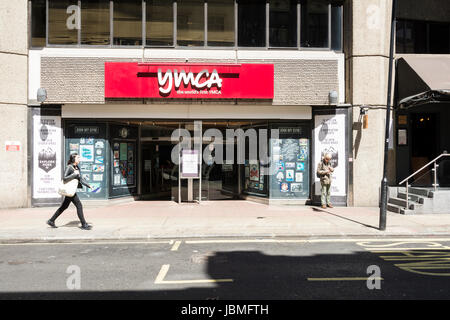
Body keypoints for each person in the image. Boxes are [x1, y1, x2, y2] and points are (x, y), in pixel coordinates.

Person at [47, 153, 93, 230]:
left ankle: (51, 220)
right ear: (73, 159)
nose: (79, 159)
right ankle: (84, 224)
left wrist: (88, 185)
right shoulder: (69, 167)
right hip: (69, 190)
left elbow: (80, 179)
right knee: (79, 205)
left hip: (71, 190)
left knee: (64, 206)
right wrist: (74, 175)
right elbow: (64, 178)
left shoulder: (77, 167)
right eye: (78, 158)